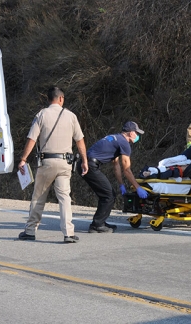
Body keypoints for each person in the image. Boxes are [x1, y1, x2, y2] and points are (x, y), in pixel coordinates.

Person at [17, 87, 88, 244]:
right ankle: (68, 233)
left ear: (49, 99)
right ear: (61, 99)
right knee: (64, 198)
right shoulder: (71, 116)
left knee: (39, 197)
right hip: (65, 163)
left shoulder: (41, 115)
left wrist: (23, 159)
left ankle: (30, 231)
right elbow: (80, 140)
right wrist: (84, 160)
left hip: (46, 163)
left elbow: (32, 138)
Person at [79, 121, 148, 233]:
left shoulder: (115, 138)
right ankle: (97, 225)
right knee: (109, 195)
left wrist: (121, 184)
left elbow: (116, 165)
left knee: (107, 194)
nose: (138, 136)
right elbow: (127, 169)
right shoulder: (124, 143)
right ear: (131, 133)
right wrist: (138, 187)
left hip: (85, 164)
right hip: (90, 166)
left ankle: (100, 222)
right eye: (137, 133)